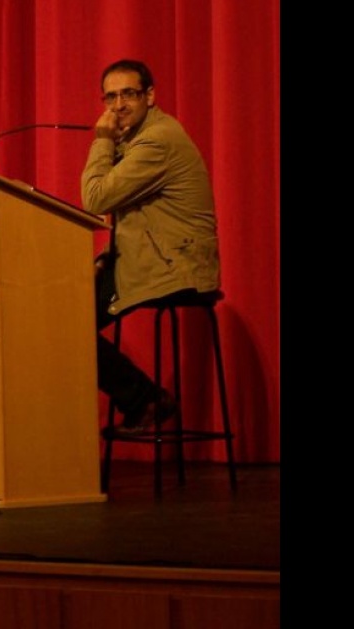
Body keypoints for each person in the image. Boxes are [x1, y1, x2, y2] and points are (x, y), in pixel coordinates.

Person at [81, 58, 221, 435]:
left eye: (128, 93)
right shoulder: (139, 140)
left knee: (62, 326)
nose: (118, 105)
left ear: (150, 96)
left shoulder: (157, 140)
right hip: (150, 261)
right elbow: (139, 222)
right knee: (55, 322)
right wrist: (103, 261)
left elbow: (95, 199)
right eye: (110, 97)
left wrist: (102, 141)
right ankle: (143, 399)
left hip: (176, 269)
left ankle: (144, 400)